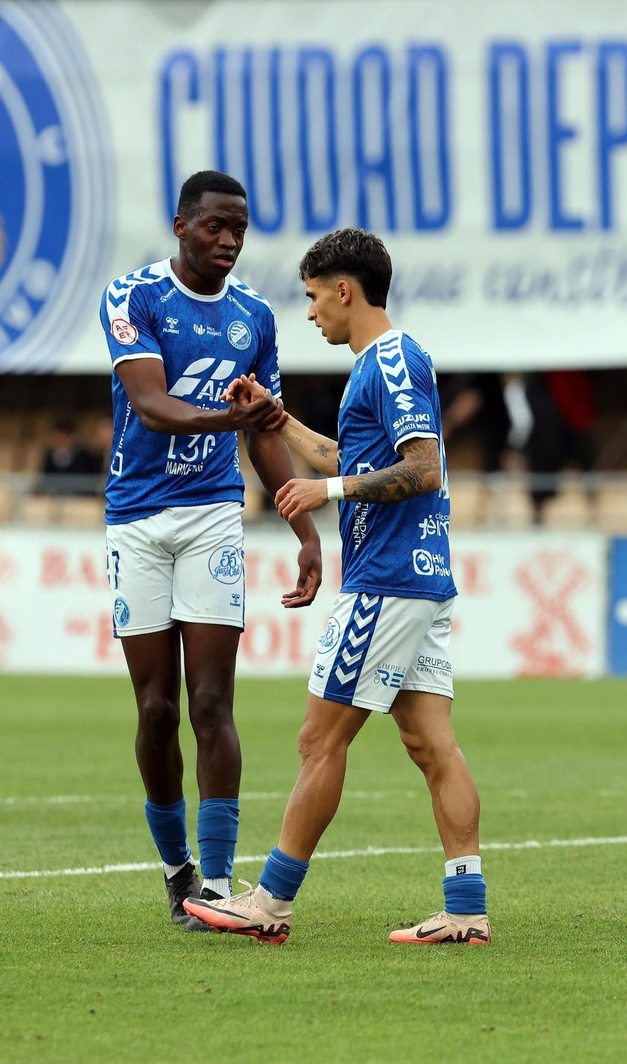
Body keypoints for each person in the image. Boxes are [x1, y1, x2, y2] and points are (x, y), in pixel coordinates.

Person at [184, 228, 486, 946]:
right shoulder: (377, 367)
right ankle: (467, 909)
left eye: (316, 298)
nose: (312, 313)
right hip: (417, 581)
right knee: (431, 745)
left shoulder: (394, 361)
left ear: (346, 291)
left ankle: (271, 902)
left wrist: (328, 489)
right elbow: (354, 458)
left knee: (320, 739)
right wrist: (278, 420)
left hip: (386, 584)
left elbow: (424, 469)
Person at [99, 171, 321, 928]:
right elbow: (153, 407)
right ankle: (175, 868)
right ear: (180, 224)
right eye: (214, 227)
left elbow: (265, 434)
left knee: (211, 701)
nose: (228, 242)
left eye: (239, 231)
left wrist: (303, 529)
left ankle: (219, 886)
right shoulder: (133, 297)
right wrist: (238, 423)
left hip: (210, 518)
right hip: (135, 519)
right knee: (156, 708)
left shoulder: (254, 316)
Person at [34, 416, 101, 495]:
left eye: (63, 438)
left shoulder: (83, 456)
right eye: (57, 438)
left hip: (79, 497)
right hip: (56, 496)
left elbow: (90, 480)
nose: (59, 441)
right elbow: (45, 479)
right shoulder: (49, 456)